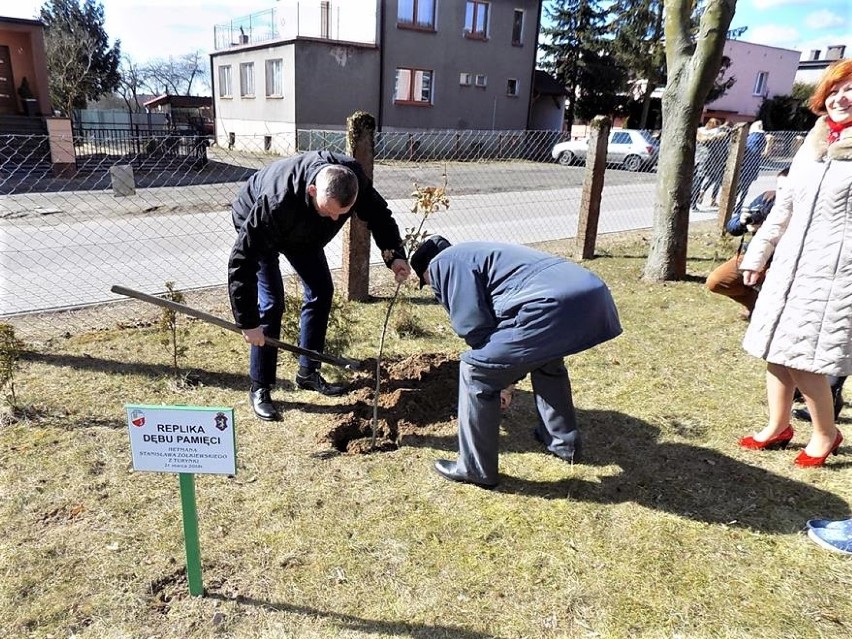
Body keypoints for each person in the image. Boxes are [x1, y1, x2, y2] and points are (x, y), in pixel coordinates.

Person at [410, 236, 622, 488]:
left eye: (428, 283)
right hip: (592, 295)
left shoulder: (443, 263)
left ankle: (474, 468)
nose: (435, 290)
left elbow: (474, 326)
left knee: (476, 369)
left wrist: (502, 379)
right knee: (546, 361)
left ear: (426, 270)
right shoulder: (482, 251)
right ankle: (563, 443)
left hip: (549, 306)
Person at [228, 150, 411, 421]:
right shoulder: (275, 201)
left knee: (321, 290)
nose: (335, 220)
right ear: (312, 190)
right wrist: (248, 321)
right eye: (330, 212)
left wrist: (394, 256)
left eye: (342, 214)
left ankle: (308, 372)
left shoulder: (351, 180)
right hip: (259, 223)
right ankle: (261, 386)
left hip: (304, 234)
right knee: (272, 303)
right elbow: (242, 261)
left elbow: (379, 216)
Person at [737, 60, 852, 467]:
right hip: (789, 264)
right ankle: (778, 425)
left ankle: (826, 433)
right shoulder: (813, 144)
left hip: (837, 271)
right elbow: (783, 205)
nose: (841, 97)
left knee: (806, 358)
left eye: (850, 89)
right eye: (835, 89)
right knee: (776, 349)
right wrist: (758, 253)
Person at [705, 168, 786, 317]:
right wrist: (743, 223)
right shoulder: (767, 199)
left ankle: (774, 312)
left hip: (785, 260)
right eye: (780, 187)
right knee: (716, 281)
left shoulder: (806, 209)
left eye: (787, 187)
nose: (783, 192)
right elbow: (732, 228)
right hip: (754, 253)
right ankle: (754, 303)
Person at [735, 120, 766, 214]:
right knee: (745, 188)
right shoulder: (762, 139)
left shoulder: (749, 138)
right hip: (753, 167)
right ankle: (739, 204)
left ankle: (734, 203)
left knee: (738, 187)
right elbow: (763, 152)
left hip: (744, 165)